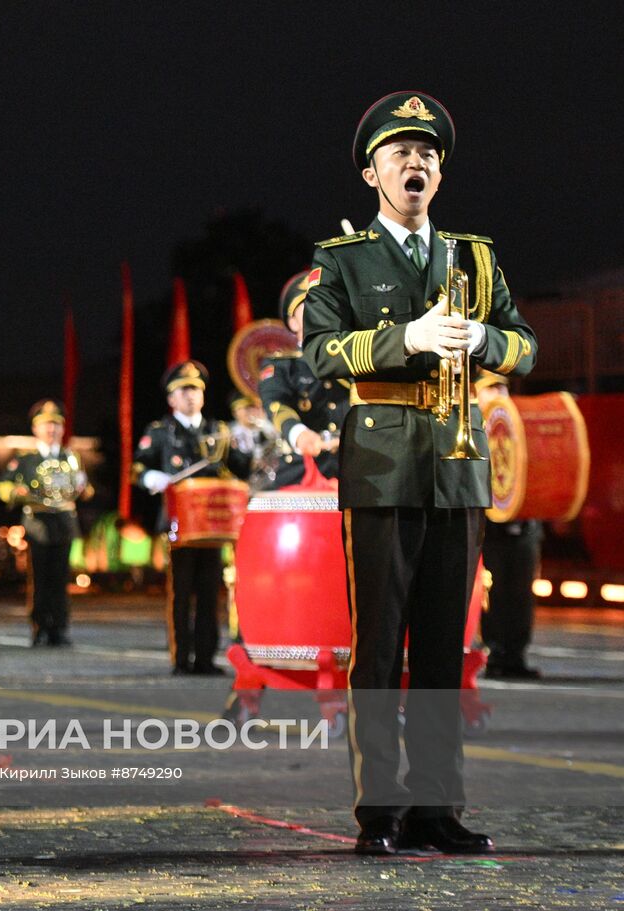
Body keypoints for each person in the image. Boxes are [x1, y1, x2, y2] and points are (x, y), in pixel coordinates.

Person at [301, 91, 537, 856]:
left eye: (428, 154)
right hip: (380, 463)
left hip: (459, 467)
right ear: (372, 172)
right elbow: (318, 352)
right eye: (400, 153)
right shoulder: (341, 261)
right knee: (381, 642)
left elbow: (526, 345)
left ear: (439, 175)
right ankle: (380, 809)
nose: (416, 163)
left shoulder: (475, 256)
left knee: (443, 645)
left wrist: (486, 341)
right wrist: (406, 335)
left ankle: (438, 805)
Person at [133, 361, 251, 675]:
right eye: (184, 390)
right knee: (181, 593)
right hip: (178, 524)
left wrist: (249, 441)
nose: (191, 396)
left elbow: (241, 468)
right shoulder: (160, 432)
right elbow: (138, 468)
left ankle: (205, 657)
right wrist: (151, 478)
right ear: (171, 398)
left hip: (212, 524)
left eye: (196, 390)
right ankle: (181, 658)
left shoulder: (219, 430)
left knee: (211, 592)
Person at [0, 399, 90, 647]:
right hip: (38, 523)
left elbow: (83, 487)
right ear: (36, 429)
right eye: (47, 425)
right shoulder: (26, 459)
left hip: (64, 521)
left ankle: (59, 627)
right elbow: (3, 485)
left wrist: (84, 490)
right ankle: (40, 627)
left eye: (56, 425)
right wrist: (17, 493)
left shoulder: (72, 457)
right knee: (40, 579)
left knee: (61, 579)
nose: (52, 430)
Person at [475, 371, 544, 680]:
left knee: (519, 591)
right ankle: (492, 651)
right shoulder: (472, 426)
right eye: (491, 388)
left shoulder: (517, 422)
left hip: (522, 520)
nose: (499, 393)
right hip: (488, 523)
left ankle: (515, 653)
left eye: (502, 386)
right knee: (492, 590)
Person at [259, 268, 349, 489]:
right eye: (310, 305)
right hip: (301, 470)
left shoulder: (354, 359)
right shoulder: (282, 365)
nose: (320, 311)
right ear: (293, 322)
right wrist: (298, 434)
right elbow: (277, 404)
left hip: (354, 468)